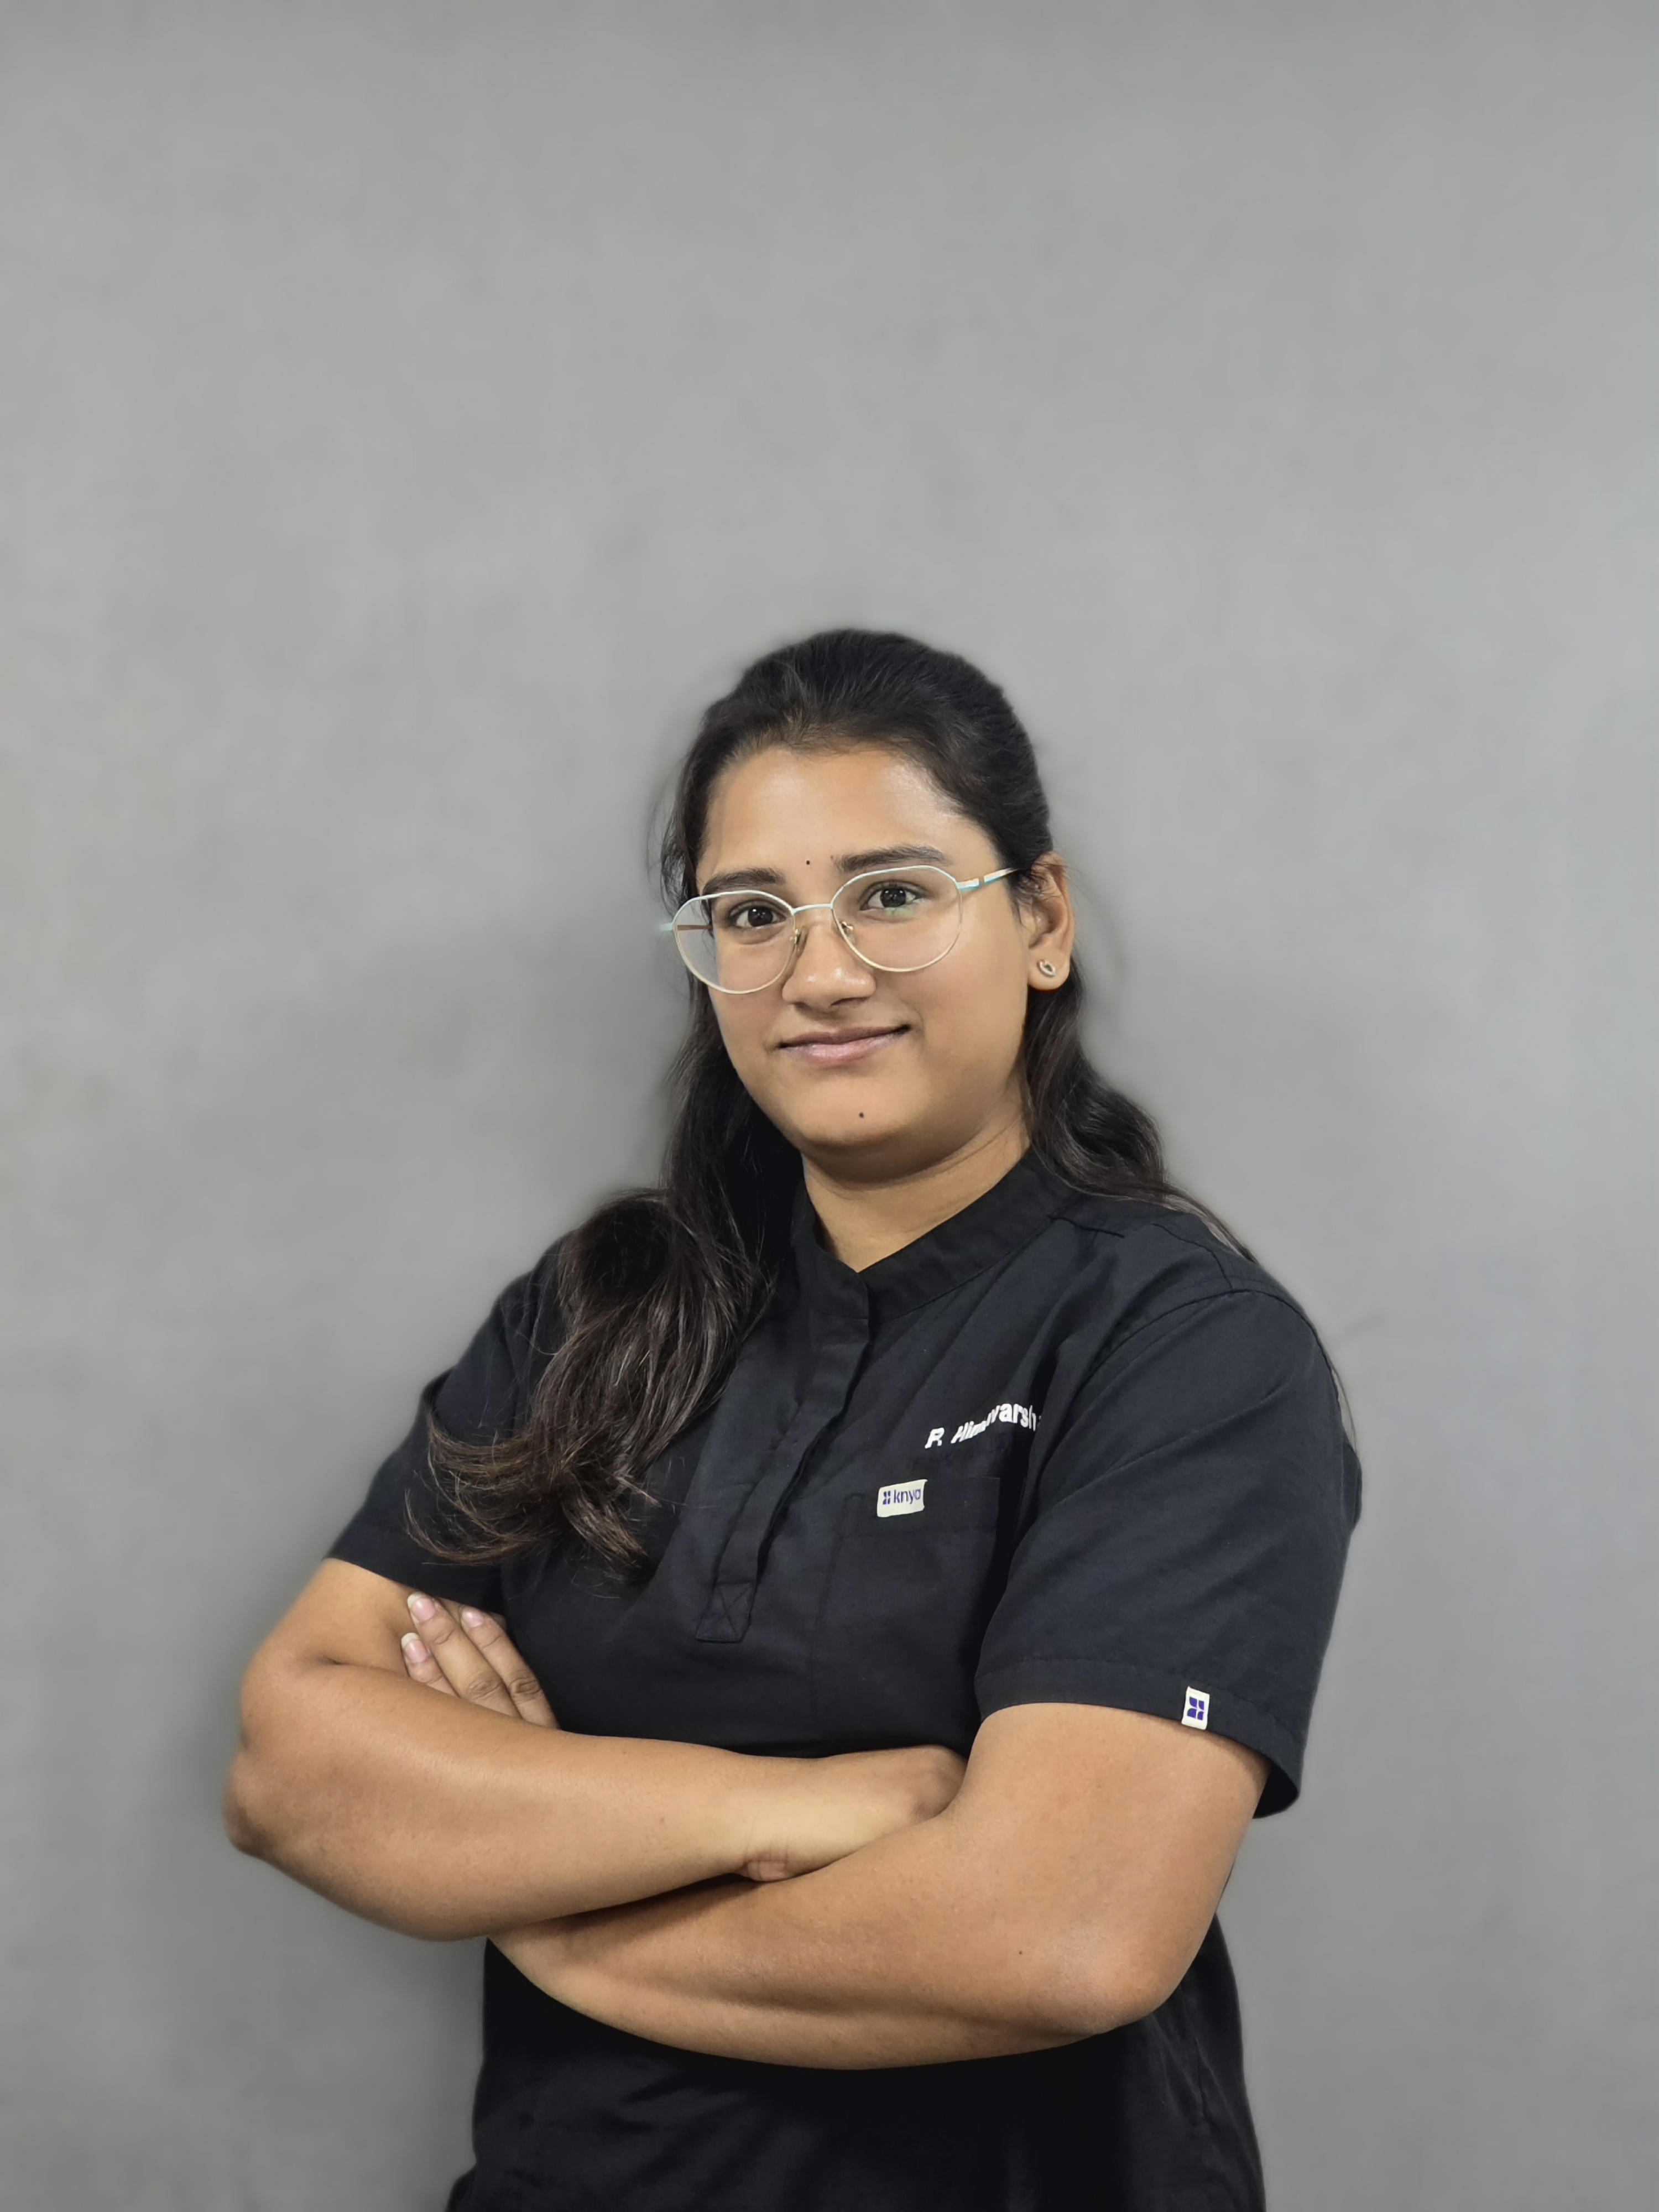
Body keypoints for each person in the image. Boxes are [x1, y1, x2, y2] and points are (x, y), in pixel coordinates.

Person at [225, 629, 1359, 2211]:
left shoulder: (1179, 1350)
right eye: (753, 915)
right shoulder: (599, 1314)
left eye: (892, 895)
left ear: (1041, 920)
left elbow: (1062, 1935)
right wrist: (790, 1809)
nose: (819, 976)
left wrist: (552, 1909)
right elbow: (292, 1762)